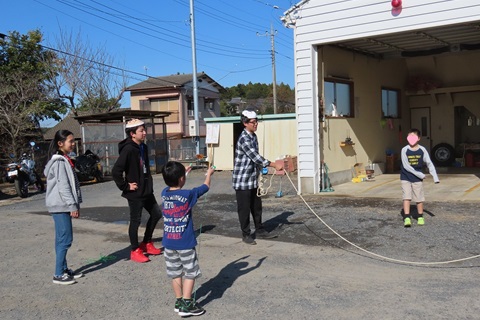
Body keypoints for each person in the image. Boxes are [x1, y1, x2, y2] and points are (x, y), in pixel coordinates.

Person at [160, 161, 215, 317]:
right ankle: (187, 303)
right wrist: (209, 174)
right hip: (184, 243)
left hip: (168, 243)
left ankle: (179, 301)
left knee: (175, 272)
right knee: (190, 272)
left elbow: (174, 184)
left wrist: (184, 173)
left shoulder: (164, 193)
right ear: (182, 179)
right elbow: (206, 187)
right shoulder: (188, 194)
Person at [112, 119, 162, 263]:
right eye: (141, 131)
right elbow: (116, 171)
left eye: (144, 130)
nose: (145, 133)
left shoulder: (143, 147)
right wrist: (126, 186)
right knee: (136, 221)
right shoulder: (128, 149)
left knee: (156, 213)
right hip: (135, 193)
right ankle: (135, 250)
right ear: (133, 134)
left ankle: (146, 242)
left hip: (146, 190)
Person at [232, 109, 283, 245]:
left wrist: (263, 170)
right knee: (244, 209)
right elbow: (255, 156)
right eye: (253, 122)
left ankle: (260, 229)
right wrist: (273, 164)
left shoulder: (253, 137)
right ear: (245, 123)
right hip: (242, 180)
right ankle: (246, 234)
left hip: (252, 179)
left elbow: (256, 159)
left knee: (256, 206)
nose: (256, 124)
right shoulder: (244, 139)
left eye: (256, 122)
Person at [44, 130, 83, 285]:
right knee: (65, 239)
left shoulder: (64, 159)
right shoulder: (60, 162)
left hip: (60, 205)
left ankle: (63, 269)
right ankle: (58, 274)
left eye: (74, 141)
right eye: (70, 141)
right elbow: (63, 186)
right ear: (60, 144)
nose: (73, 144)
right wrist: (72, 205)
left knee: (61, 238)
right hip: (61, 205)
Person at [400, 128, 440, 227]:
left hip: (417, 179)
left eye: (413, 137)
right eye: (409, 137)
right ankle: (407, 217)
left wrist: (435, 177)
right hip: (406, 176)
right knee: (407, 197)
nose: (411, 139)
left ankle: (420, 217)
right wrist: (420, 175)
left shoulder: (422, 150)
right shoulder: (404, 149)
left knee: (419, 198)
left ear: (418, 138)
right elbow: (406, 166)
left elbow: (429, 163)